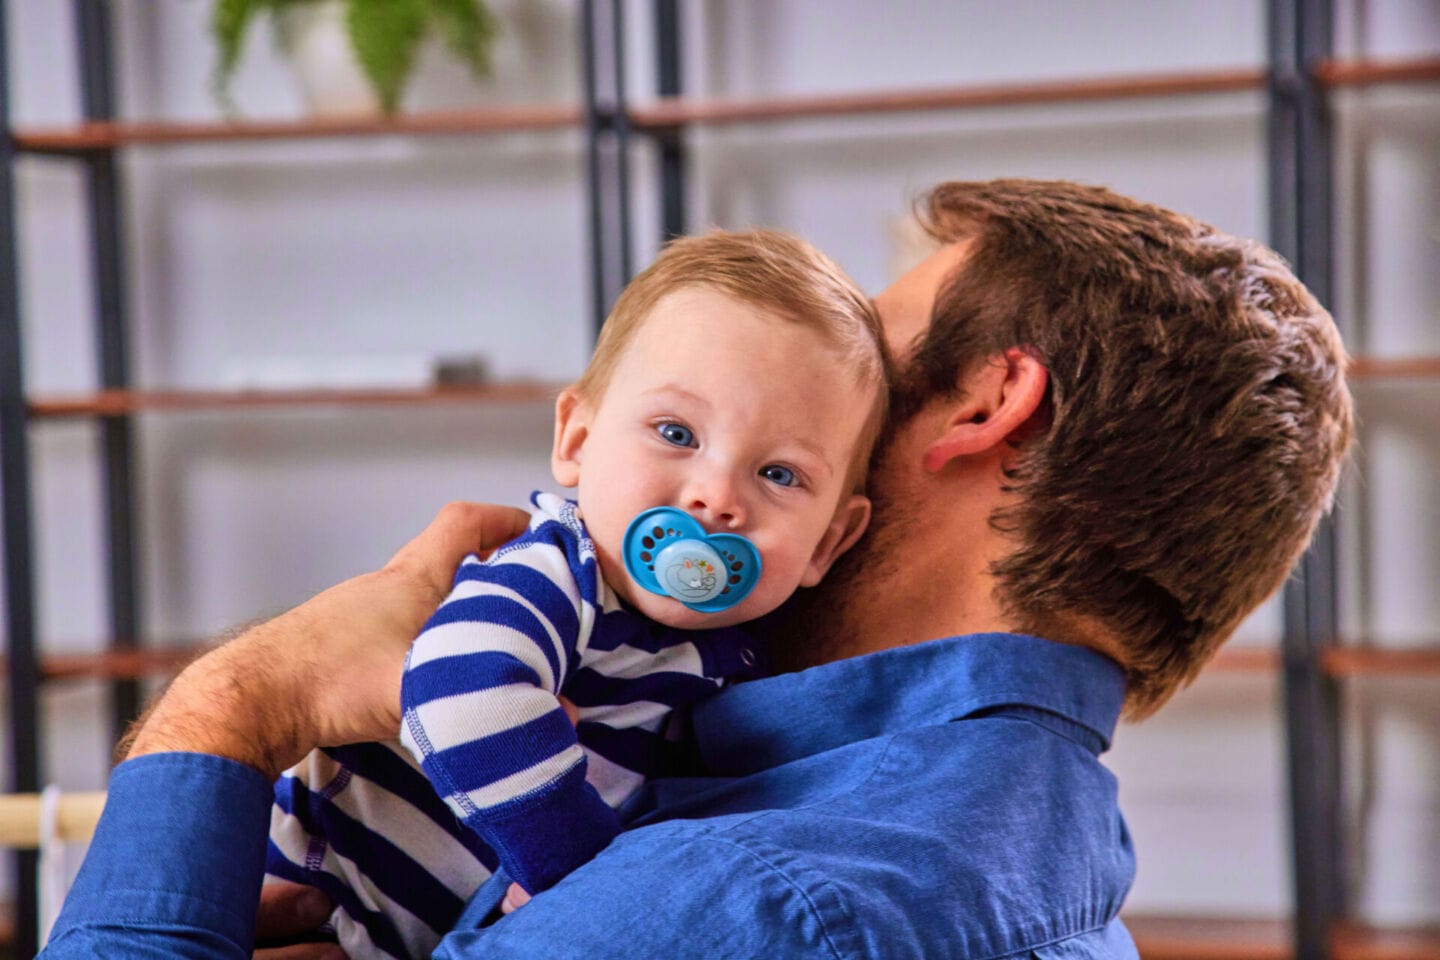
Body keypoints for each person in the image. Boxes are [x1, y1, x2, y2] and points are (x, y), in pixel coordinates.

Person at [41, 179, 1353, 960]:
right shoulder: (1057, 843)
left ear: (983, 408)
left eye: (865, 378)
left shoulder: (733, 902)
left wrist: (247, 697)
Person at [265, 229, 888, 959]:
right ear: (577, 439)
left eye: (779, 475)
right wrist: (581, 876)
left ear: (828, 543)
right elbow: (459, 694)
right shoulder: (558, 576)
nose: (716, 498)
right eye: (675, 432)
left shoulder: (725, 655)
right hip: (313, 903)